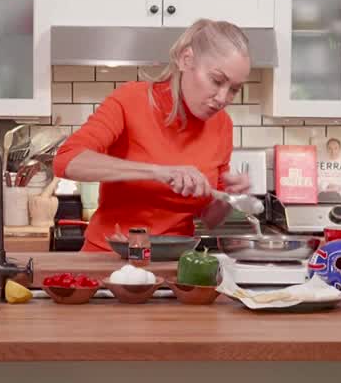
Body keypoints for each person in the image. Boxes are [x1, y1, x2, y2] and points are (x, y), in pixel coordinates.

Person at [53, 19, 253, 253]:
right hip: (109, 259)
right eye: (217, 81)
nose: (222, 98)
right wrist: (159, 172)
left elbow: (209, 218)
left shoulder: (221, 125)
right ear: (186, 59)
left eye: (234, 89)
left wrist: (227, 198)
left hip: (174, 265)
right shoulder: (130, 100)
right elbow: (66, 160)